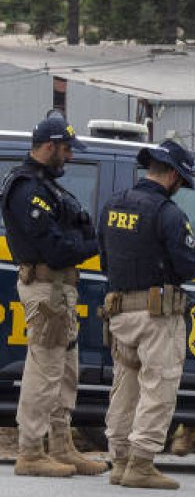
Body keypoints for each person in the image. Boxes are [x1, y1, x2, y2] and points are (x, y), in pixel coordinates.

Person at [99, 140, 195, 490]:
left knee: (124, 387)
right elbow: (191, 266)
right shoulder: (168, 214)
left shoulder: (113, 205)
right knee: (158, 385)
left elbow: (104, 259)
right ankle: (142, 463)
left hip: (120, 313)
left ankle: (119, 460)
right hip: (157, 316)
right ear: (174, 175)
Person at [0, 114, 104, 477]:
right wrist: (92, 243)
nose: (70, 157)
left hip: (61, 288)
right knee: (44, 369)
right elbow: (57, 248)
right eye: (65, 149)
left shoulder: (48, 186)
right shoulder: (27, 188)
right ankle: (30, 450)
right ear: (48, 147)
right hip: (45, 287)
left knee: (65, 371)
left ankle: (61, 445)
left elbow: (73, 232)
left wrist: (81, 239)